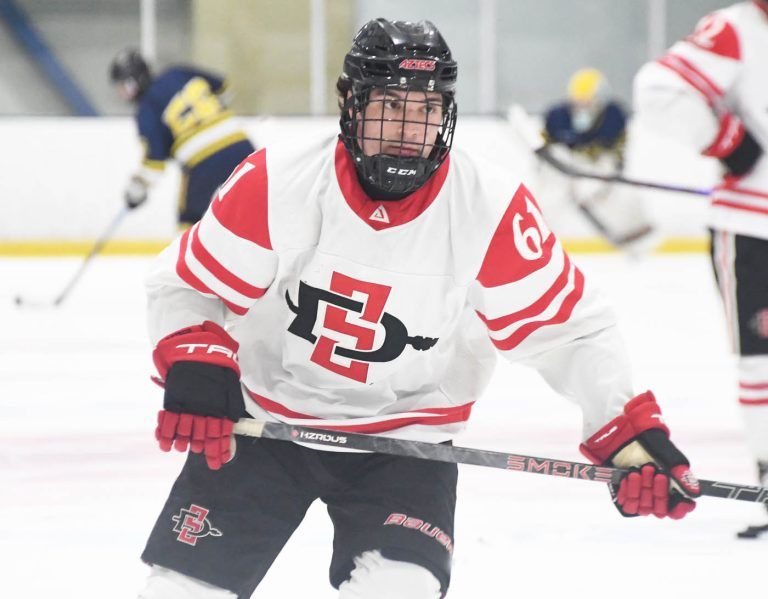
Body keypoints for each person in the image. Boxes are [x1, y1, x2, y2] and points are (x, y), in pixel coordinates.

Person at [138, 19, 700, 599]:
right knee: (179, 591)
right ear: (349, 104)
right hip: (264, 424)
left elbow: (568, 333)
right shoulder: (277, 180)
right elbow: (189, 282)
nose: (409, 128)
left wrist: (630, 438)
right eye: (388, 104)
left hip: (406, 447)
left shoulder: (491, 208)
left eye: (426, 107)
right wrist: (196, 355)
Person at [633, 0, 768, 537]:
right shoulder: (740, 26)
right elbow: (659, 89)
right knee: (762, 366)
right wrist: (726, 139)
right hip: (755, 230)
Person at [109, 49, 256, 227]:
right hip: (241, 145)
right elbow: (223, 86)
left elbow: (155, 162)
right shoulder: (177, 73)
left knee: (188, 221)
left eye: (122, 86)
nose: (120, 93)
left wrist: (138, 189)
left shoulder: (146, 109)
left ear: (133, 82)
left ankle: (191, 255)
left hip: (203, 161)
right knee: (258, 206)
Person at [539, 68, 655, 250]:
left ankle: (638, 238)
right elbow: (547, 146)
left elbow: (616, 153)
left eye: (588, 101)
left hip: (599, 167)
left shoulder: (614, 117)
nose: (583, 106)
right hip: (566, 167)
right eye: (578, 101)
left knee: (622, 197)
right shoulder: (557, 117)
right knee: (549, 196)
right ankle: (538, 239)